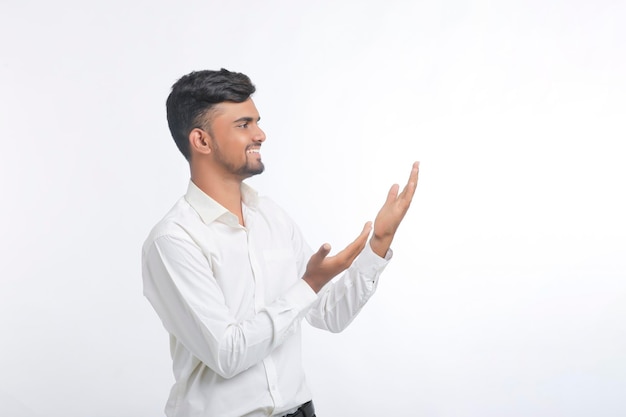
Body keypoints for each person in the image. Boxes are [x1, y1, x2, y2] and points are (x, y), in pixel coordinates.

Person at [142, 68, 419, 417]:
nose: (261, 134)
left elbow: (328, 313)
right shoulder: (173, 241)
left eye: (257, 121)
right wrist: (310, 283)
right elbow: (228, 354)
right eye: (243, 125)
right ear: (202, 141)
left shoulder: (270, 216)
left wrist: (378, 244)